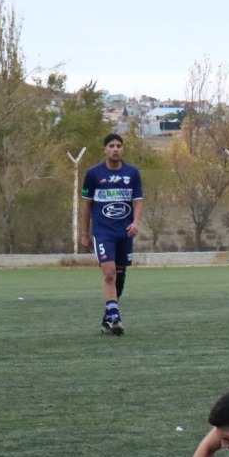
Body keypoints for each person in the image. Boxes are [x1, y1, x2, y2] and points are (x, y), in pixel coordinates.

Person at [79, 133, 143, 336]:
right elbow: (87, 205)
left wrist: (135, 222)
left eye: (119, 146)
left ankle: (108, 319)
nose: (115, 149)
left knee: (120, 277)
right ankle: (115, 317)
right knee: (109, 273)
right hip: (103, 232)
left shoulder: (132, 173)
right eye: (111, 146)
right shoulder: (93, 174)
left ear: (122, 149)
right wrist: (84, 234)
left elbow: (138, 200)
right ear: (105, 149)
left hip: (124, 232)